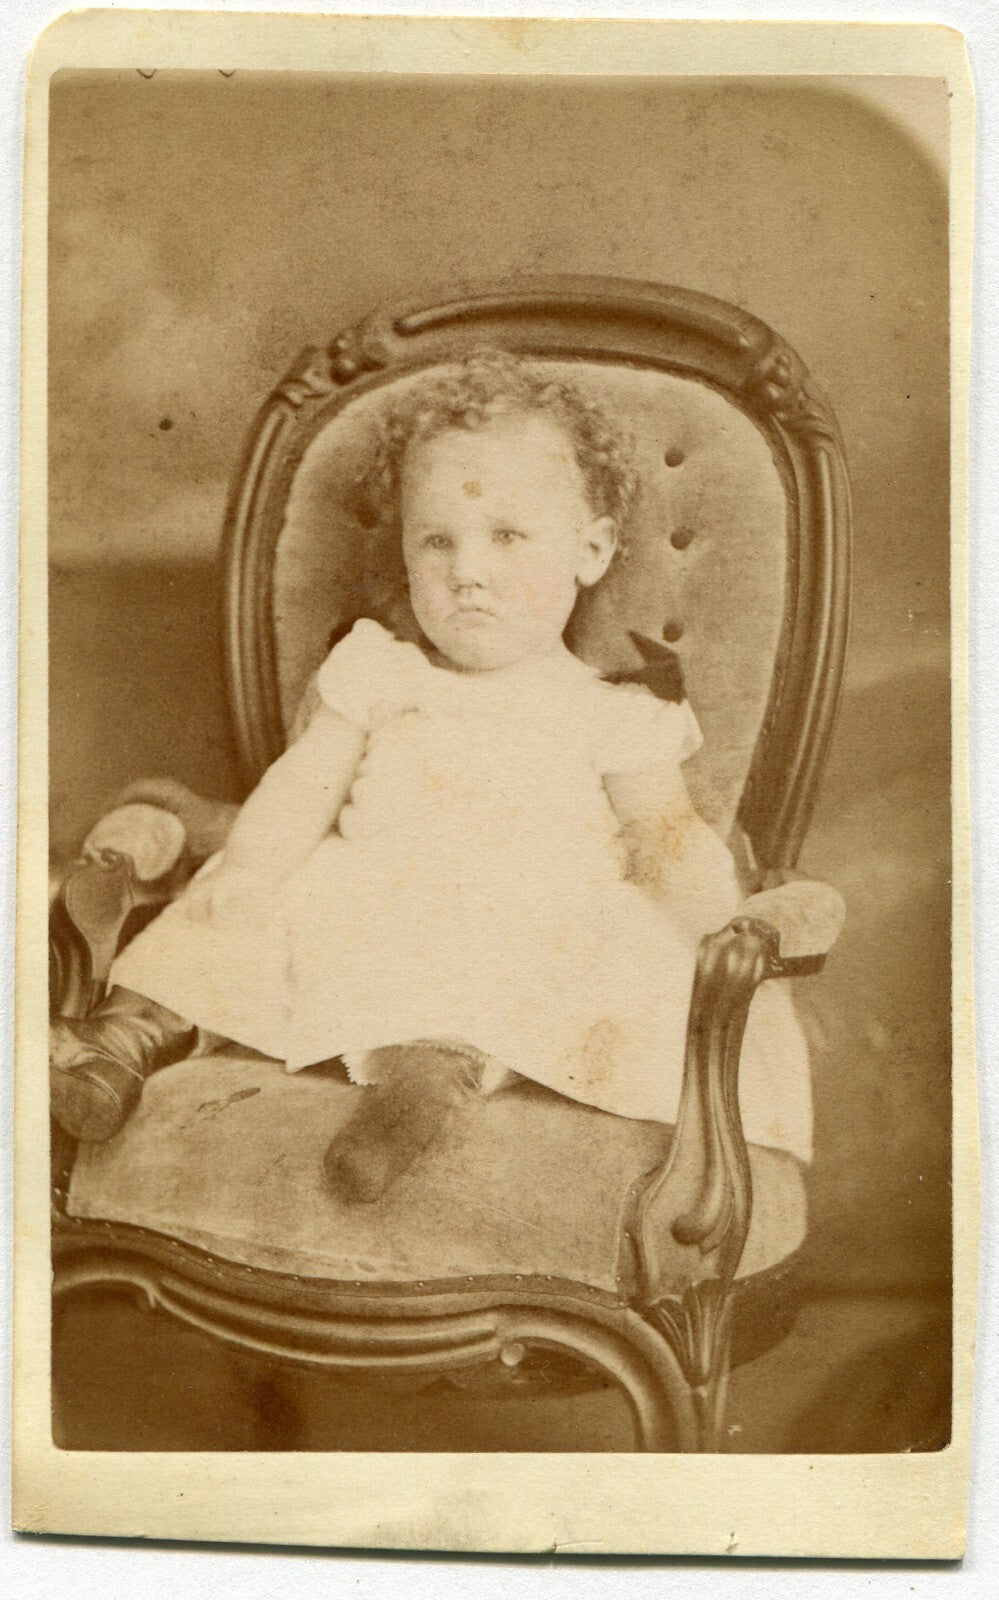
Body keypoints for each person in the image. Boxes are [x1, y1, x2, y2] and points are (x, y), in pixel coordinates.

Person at [50, 348, 812, 1202]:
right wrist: (255, 874)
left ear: (590, 551)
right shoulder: (379, 669)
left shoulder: (615, 706)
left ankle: (418, 1095)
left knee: (515, 977)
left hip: (523, 913)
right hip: (364, 892)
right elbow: (304, 787)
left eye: (507, 537)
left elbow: (662, 833)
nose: (468, 571)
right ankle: (120, 1045)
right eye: (436, 541)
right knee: (226, 913)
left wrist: (714, 909)